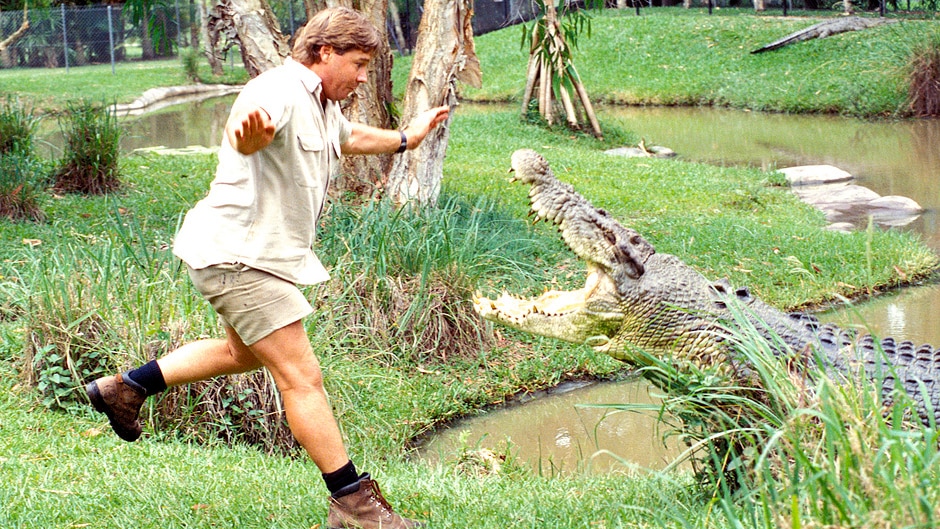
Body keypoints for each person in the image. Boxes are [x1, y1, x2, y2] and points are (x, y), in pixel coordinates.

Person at [85, 7, 449, 529]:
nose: (365, 76)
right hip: (240, 258)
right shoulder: (276, 89)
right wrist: (249, 139)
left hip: (245, 256)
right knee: (302, 377)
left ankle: (126, 388)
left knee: (242, 353)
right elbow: (248, 130)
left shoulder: (322, 102)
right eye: (361, 63)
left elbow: (347, 138)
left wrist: (406, 138)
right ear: (325, 53)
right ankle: (354, 505)